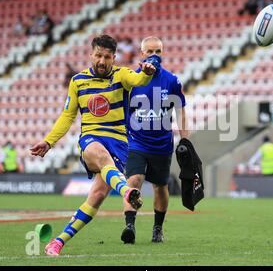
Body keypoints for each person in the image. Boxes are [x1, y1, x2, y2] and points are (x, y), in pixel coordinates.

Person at [30, 34, 156, 256]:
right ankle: (127, 191)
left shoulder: (122, 75)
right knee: (99, 154)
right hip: (91, 138)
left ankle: (58, 242)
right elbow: (68, 116)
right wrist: (49, 141)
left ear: (113, 58)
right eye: (98, 55)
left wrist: (146, 74)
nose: (102, 61)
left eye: (107, 57)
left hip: (118, 143)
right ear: (91, 54)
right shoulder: (78, 81)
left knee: (96, 197)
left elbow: (138, 80)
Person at [121, 36, 188, 244]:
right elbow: (124, 113)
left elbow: (180, 111)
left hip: (162, 144)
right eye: (150, 51)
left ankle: (157, 228)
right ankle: (129, 225)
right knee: (134, 180)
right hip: (136, 142)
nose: (154, 55)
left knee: (160, 186)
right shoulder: (131, 81)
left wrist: (186, 140)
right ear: (141, 54)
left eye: (158, 51)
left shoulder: (172, 80)